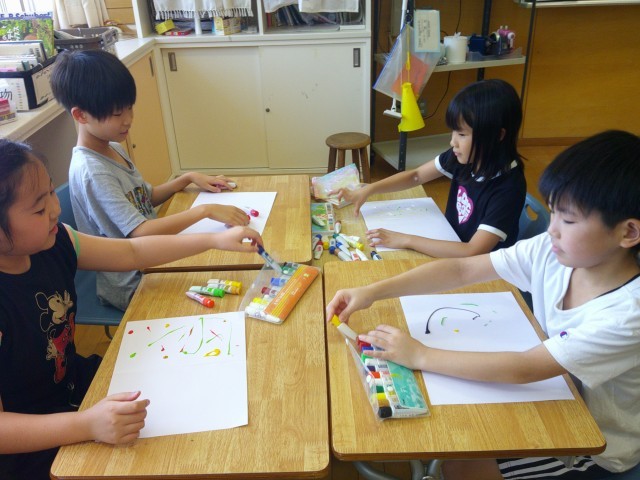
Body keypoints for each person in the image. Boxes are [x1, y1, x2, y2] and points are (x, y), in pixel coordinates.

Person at [327, 130, 640, 479]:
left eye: (568, 220)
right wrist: (372, 291)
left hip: (593, 446)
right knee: (456, 436)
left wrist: (420, 355)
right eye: (553, 214)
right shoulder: (553, 252)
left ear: (628, 233)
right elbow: (462, 269)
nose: (552, 230)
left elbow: (525, 369)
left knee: (463, 458)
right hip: (556, 391)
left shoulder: (627, 315)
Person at [0, 140, 263, 479]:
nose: (54, 209)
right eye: (38, 209)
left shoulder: (56, 239)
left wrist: (213, 240)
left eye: (52, 192)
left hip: (75, 388)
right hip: (32, 442)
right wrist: (86, 424)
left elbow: (132, 253)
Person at [50, 49, 251, 311]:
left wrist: (186, 179)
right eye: (116, 114)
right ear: (81, 116)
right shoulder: (93, 171)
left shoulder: (113, 148)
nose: (128, 120)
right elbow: (140, 231)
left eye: (129, 108)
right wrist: (205, 210)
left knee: (234, 270)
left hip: (153, 257)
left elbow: (145, 198)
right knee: (228, 299)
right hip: (133, 281)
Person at [337, 79, 526, 257]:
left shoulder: (508, 188)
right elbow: (416, 176)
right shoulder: (468, 157)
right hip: (450, 244)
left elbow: (472, 251)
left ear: (497, 135)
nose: (453, 142)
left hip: (480, 270)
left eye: (462, 134)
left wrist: (406, 240)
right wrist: (369, 190)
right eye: (453, 132)